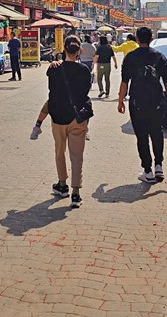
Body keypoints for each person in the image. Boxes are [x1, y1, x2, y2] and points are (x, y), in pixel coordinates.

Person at [118, 26, 167, 183]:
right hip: (157, 101)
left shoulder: (130, 57)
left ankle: (148, 170)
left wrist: (120, 101)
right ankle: (159, 165)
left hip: (136, 101)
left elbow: (124, 82)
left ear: (137, 39)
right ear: (151, 39)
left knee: (142, 135)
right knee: (157, 133)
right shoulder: (159, 56)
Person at [46, 39, 92, 208]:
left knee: (60, 151)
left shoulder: (54, 69)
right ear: (79, 51)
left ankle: (62, 184)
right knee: (77, 156)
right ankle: (75, 193)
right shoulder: (84, 70)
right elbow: (85, 92)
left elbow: (51, 92)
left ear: (64, 49)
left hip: (58, 116)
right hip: (78, 118)